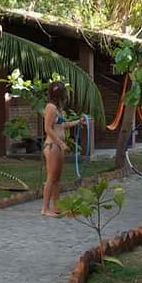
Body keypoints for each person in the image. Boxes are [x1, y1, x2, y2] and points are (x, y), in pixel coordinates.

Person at [42, 81, 85, 216]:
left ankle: (56, 206)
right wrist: (60, 143)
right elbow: (47, 128)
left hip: (58, 146)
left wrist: (78, 122)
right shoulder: (50, 108)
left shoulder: (58, 110)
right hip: (52, 146)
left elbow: (63, 125)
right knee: (51, 177)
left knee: (57, 178)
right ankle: (45, 209)